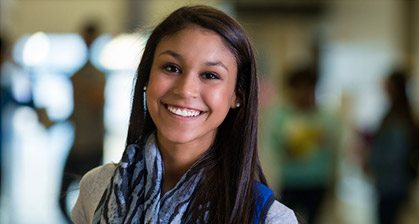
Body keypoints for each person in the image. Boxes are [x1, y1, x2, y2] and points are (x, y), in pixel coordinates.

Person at [71, 5, 297, 224]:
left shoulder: (270, 218)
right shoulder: (97, 188)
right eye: (171, 68)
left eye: (210, 75)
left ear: (237, 94)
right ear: (146, 79)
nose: (186, 90)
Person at [264, 66, 339, 224]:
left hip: (317, 180)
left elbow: (334, 150)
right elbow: (275, 146)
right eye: (298, 89)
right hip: (291, 180)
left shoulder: (326, 117)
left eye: (307, 88)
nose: (302, 94)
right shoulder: (281, 115)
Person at [59, 23, 106, 222]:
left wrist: (80, 88)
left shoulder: (96, 74)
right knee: (60, 197)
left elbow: (99, 102)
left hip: (92, 146)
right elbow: (75, 113)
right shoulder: (78, 74)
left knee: (91, 202)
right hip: (78, 143)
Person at [367, 69, 418, 224]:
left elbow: (395, 155)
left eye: (387, 84)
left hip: (393, 183)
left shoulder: (398, 118)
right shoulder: (398, 113)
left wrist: (372, 162)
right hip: (392, 182)